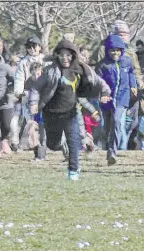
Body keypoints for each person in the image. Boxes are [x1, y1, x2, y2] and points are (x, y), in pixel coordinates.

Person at [29, 39, 111, 181]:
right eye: (62, 55)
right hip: (51, 113)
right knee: (52, 145)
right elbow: (36, 87)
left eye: (68, 55)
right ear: (57, 56)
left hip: (71, 112)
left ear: (73, 55)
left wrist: (105, 93)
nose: (65, 58)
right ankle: (61, 143)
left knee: (74, 141)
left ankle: (73, 171)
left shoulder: (81, 69)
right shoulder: (50, 71)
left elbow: (98, 81)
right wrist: (33, 102)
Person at [95, 34, 138, 165]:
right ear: (108, 51)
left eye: (118, 50)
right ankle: (108, 146)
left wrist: (133, 85)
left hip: (122, 97)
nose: (115, 53)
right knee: (106, 127)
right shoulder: (102, 65)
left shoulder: (127, 61)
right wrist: (101, 94)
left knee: (118, 121)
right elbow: (97, 82)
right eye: (112, 50)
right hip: (107, 98)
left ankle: (113, 152)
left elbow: (131, 73)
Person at [12, 36, 46, 151]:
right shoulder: (24, 62)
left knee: (43, 120)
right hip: (28, 94)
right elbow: (19, 78)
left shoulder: (45, 61)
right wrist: (19, 92)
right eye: (29, 47)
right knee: (29, 120)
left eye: (34, 46)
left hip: (44, 94)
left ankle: (43, 143)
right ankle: (32, 144)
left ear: (39, 47)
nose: (31, 49)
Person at [90, 20, 142, 87]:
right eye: (120, 34)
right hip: (106, 86)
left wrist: (136, 83)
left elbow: (136, 70)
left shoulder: (131, 53)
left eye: (126, 34)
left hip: (125, 88)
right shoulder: (103, 49)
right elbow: (93, 67)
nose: (123, 37)